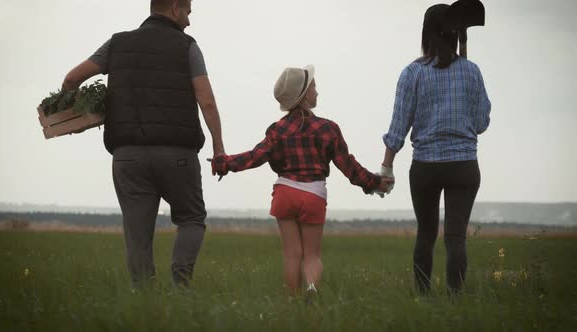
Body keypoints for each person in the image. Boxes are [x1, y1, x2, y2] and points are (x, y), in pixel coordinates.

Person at [61, 0, 225, 287]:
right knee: (191, 218)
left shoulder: (116, 44)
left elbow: (71, 78)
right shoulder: (188, 47)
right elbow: (207, 101)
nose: (188, 22)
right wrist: (218, 148)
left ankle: (145, 300)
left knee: (137, 236)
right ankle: (181, 285)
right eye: (187, 13)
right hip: (179, 155)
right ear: (175, 8)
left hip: (127, 158)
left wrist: (77, 118)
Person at [212, 65, 394, 299]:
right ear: (304, 94)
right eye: (314, 87)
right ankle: (311, 289)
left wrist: (224, 163)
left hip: (284, 193)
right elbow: (348, 166)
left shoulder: (277, 130)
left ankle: (292, 301)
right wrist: (374, 182)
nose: (317, 92)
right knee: (312, 256)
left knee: (291, 255)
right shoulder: (328, 128)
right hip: (313, 195)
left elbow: (255, 156)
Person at [380, 4, 491, 294]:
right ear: (456, 34)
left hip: (425, 166)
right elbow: (480, 123)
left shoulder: (412, 73)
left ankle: (423, 299)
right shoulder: (472, 71)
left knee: (426, 234)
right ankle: (456, 301)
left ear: (426, 34)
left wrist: (386, 167)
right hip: (464, 165)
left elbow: (398, 125)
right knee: (456, 238)